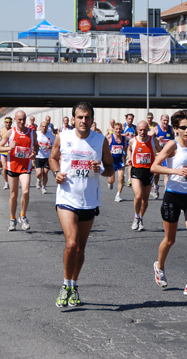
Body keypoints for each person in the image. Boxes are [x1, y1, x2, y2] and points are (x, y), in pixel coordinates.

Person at [49, 101, 114, 308]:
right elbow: (52, 158)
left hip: (89, 200)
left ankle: (74, 284)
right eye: (79, 117)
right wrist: (56, 172)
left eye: (87, 118)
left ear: (92, 120)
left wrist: (100, 168)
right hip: (66, 198)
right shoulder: (63, 136)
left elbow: (111, 169)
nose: (83, 121)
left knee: (80, 248)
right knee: (71, 243)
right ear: (73, 119)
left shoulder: (100, 140)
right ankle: (65, 284)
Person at [151, 109, 187, 297]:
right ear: (176, 128)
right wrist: (175, 172)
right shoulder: (172, 145)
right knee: (170, 239)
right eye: (183, 128)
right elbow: (154, 166)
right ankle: (160, 266)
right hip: (173, 196)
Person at [0, 110, 39, 231]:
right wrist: (10, 147)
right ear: (15, 120)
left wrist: (34, 153)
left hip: (26, 166)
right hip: (12, 166)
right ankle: (12, 218)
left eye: (24, 119)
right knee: (13, 194)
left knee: (25, 191)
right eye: (19, 119)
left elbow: (36, 146)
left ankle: (23, 216)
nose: (22, 122)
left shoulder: (32, 132)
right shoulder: (11, 133)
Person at [126, 120, 161, 231]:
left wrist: (159, 161)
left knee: (145, 199)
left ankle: (141, 218)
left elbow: (161, 151)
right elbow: (129, 149)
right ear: (137, 130)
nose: (143, 132)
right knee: (138, 196)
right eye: (140, 130)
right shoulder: (133, 141)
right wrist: (129, 158)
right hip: (136, 171)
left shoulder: (153, 140)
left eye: (145, 130)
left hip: (148, 171)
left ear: (148, 130)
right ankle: (136, 216)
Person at [150, 114, 174, 199]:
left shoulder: (171, 129)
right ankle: (155, 187)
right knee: (156, 174)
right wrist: (157, 140)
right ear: (160, 120)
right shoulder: (156, 129)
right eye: (164, 120)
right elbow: (148, 138)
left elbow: (173, 140)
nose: (165, 122)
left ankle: (166, 193)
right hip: (158, 154)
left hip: (167, 155)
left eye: (167, 120)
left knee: (166, 174)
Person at [107, 122, 127, 202]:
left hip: (120, 161)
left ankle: (118, 195)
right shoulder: (109, 137)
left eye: (120, 129)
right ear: (114, 130)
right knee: (112, 180)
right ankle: (110, 183)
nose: (118, 131)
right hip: (112, 161)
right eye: (117, 129)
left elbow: (125, 148)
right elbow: (104, 148)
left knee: (121, 178)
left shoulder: (124, 138)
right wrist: (109, 152)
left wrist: (125, 160)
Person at [36, 121, 56, 194]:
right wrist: (36, 146)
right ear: (40, 127)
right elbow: (32, 143)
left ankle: (44, 187)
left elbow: (56, 144)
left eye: (45, 126)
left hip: (47, 157)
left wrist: (51, 146)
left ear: (47, 127)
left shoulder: (50, 135)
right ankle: (38, 180)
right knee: (38, 173)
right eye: (43, 126)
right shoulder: (37, 134)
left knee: (45, 172)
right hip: (38, 156)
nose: (44, 128)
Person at [0, 116, 13, 190]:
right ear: (4, 122)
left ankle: (12, 181)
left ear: (11, 123)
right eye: (6, 122)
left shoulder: (13, 130)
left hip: (11, 151)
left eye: (9, 122)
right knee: (4, 167)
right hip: (3, 151)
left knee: (11, 168)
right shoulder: (1, 131)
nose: (8, 124)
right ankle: (6, 183)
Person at [123, 113, 136, 187]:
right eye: (129, 119)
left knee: (130, 163)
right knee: (124, 164)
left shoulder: (134, 127)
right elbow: (118, 135)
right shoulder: (123, 126)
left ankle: (129, 179)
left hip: (131, 148)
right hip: (124, 148)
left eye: (132, 119)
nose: (130, 120)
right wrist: (125, 135)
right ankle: (123, 178)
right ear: (126, 119)